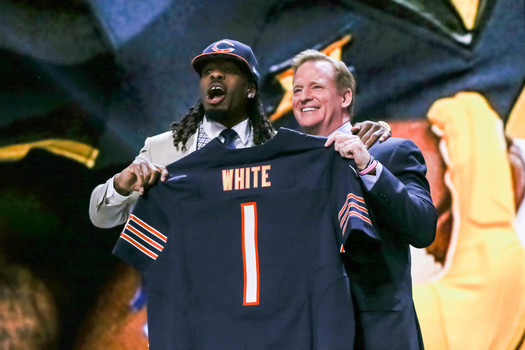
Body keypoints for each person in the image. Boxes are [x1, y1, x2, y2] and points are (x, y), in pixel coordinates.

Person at [89, 39, 391, 229]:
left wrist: (371, 135)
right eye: (208, 72)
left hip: (262, 304)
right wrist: (120, 185)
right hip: (189, 305)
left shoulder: (280, 149)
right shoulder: (160, 149)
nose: (215, 75)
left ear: (250, 89)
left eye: (228, 70)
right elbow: (102, 217)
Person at [291, 49, 437, 349]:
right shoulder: (287, 169)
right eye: (297, 89)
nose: (303, 96)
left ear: (345, 98)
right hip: (312, 334)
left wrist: (369, 168)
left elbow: (423, 228)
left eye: (316, 86)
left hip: (380, 335)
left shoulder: (390, 151)